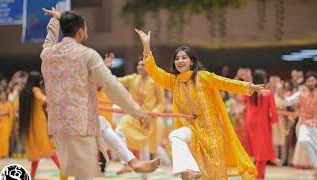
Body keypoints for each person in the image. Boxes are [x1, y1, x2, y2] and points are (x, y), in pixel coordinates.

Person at [40, 8, 159, 179]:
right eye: (86, 29)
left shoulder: (47, 53)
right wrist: (137, 113)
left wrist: (56, 20)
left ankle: (132, 161)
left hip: (58, 126)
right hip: (81, 125)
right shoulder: (87, 55)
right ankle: (132, 161)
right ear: (80, 31)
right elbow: (111, 86)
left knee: (101, 123)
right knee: (85, 175)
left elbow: (50, 40)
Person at [135, 29, 265, 179]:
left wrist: (249, 87)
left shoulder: (203, 77)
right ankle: (187, 170)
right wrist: (146, 46)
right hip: (192, 132)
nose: (180, 61)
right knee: (175, 135)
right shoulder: (174, 81)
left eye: (184, 57)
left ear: (192, 62)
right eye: (177, 58)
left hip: (211, 136)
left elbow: (225, 83)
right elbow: (155, 72)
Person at [116, 57, 165, 178]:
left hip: (149, 119)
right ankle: (126, 162)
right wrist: (105, 68)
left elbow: (161, 103)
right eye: (138, 64)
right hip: (134, 116)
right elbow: (114, 81)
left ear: (149, 67)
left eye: (143, 65)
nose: (140, 67)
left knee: (145, 149)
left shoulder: (156, 81)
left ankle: (145, 177)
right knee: (119, 130)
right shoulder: (132, 78)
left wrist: (152, 113)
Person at [18, 71, 64, 179]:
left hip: (30, 124)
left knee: (35, 150)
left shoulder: (26, 91)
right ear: (37, 80)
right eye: (40, 79)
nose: (42, 82)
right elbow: (44, 99)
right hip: (39, 123)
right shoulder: (35, 90)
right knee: (47, 147)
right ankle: (62, 170)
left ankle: (32, 176)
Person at [244, 70, 286, 179]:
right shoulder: (268, 92)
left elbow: (244, 103)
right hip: (261, 123)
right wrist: (279, 128)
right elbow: (273, 111)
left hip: (249, 121)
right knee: (261, 152)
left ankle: (256, 175)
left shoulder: (249, 90)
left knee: (255, 150)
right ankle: (259, 177)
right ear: (264, 79)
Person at [281, 71, 317, 178]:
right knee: (303, 140)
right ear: (306, 82)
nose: (311, 82)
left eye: (313, 80)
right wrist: (279, 91)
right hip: (304, 122)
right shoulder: (301, 92)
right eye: (309, 81)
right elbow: (287, 102)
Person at [0, 90, 13, 158]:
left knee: (5, 139)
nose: (3, 96)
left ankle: (5, 154)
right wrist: (1, 113)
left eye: (4, 95)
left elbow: (11, 114)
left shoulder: (8, 104)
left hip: (6, 123)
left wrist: (4, 113)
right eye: (1, 95)